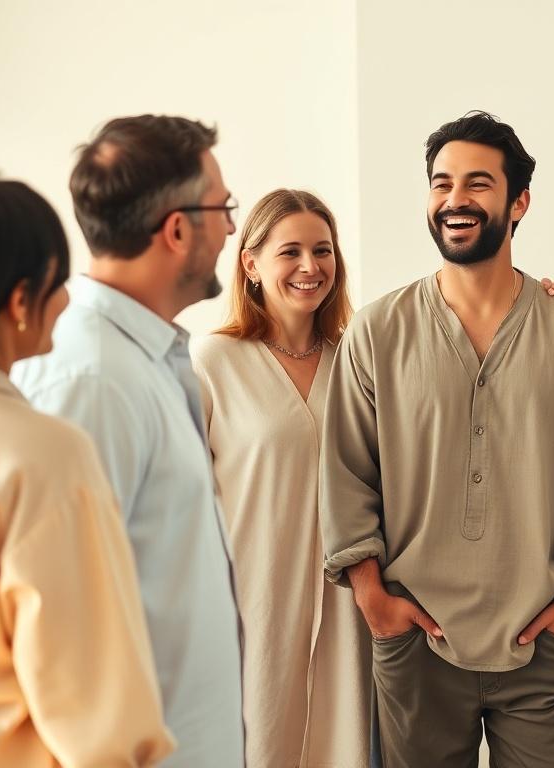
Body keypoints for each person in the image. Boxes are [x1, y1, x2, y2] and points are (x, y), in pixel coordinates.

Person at [320, 110, 554, 768]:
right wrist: (375, 600)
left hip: (544, 639)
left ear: (519, 201)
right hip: (416, 638)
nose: (455, 200)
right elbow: (347, 475)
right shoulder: (378, 330)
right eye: (440, 183)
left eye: (477, 184)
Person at [11, 115, 244, 767]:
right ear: (177, 230)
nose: (231, 226)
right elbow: (59, 632)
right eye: (223, 208)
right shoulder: (89, 381)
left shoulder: (146, 361)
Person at [0, 176, 174, 766]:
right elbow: (95, 707)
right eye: (59, 283)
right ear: (19, 301)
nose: (68, 300)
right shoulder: (44, 455)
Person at [190, 189, 371, 768]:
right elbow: (186, 502)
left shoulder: (356, 363)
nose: (310, 267)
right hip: (252, 609)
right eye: (289, 251)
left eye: (323, 250)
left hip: (348, 610)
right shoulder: (212, 362)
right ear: (251, 263)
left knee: (342, 748)